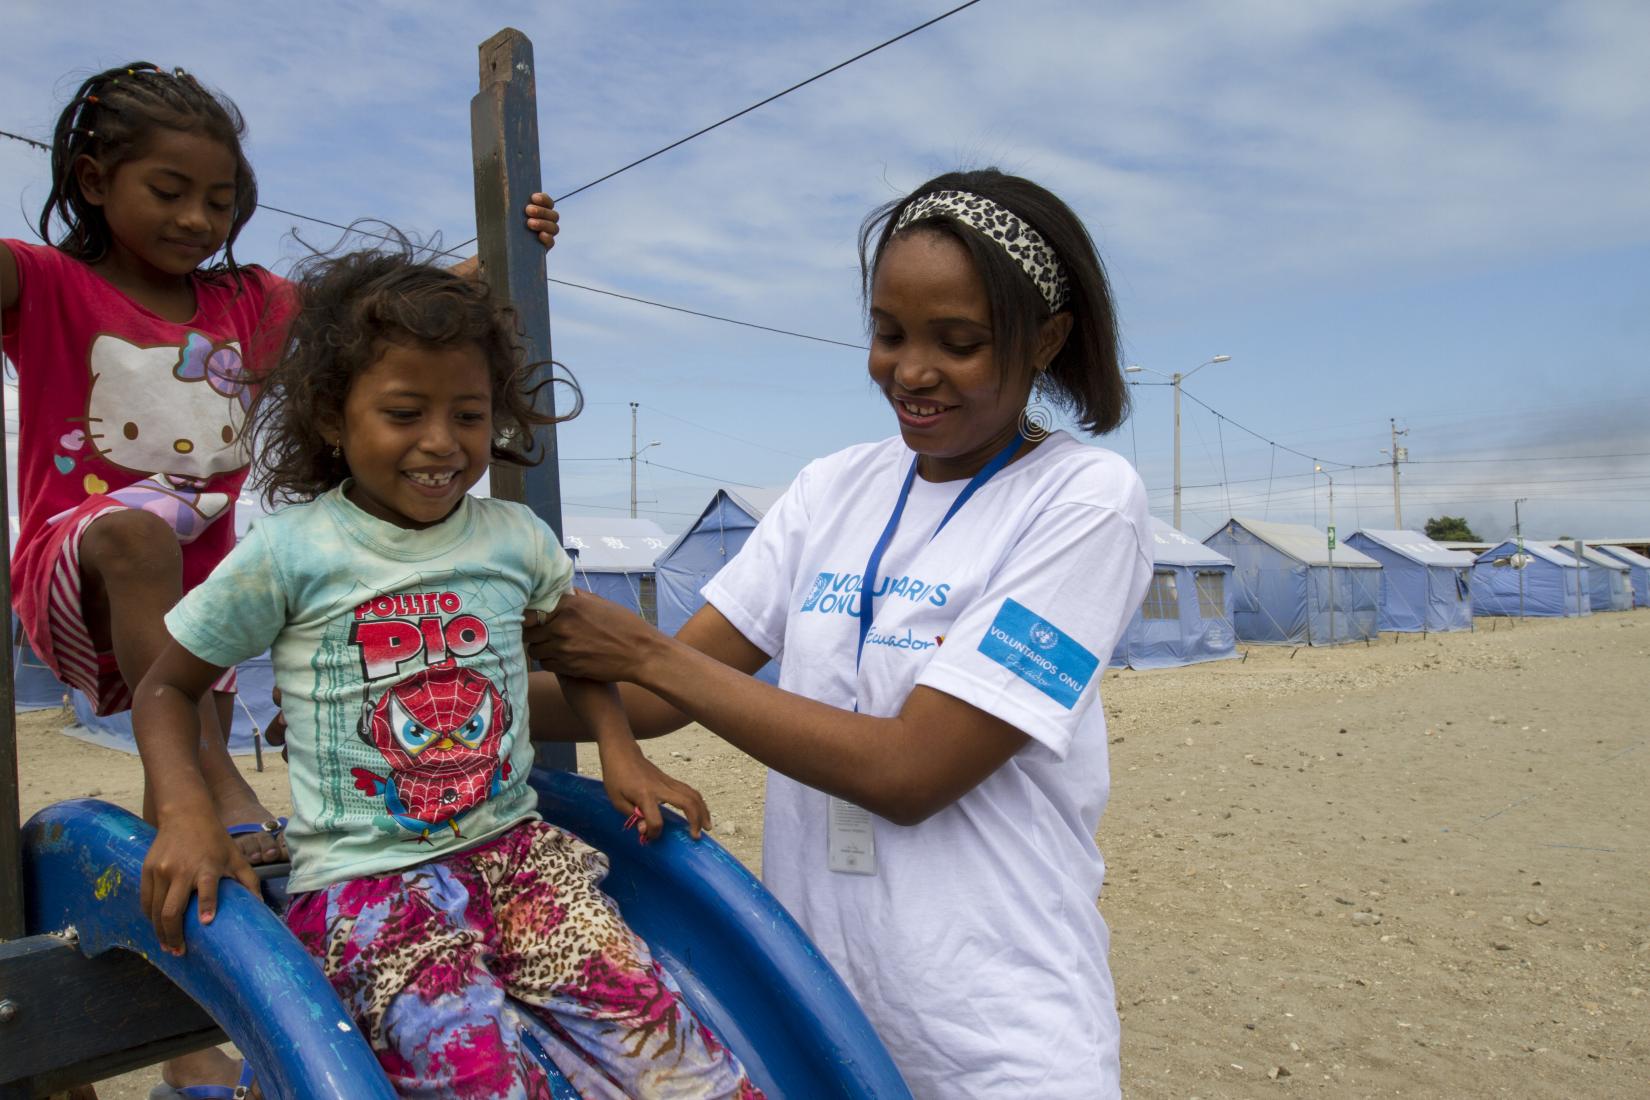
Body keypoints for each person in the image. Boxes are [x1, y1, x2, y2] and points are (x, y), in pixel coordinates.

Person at [522, 168, 1153, 1098]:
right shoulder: (833, 489)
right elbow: (656, 699)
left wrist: (644, 650)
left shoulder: (1085, 503)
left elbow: (911, 773)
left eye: (960, 342)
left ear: (1046, 341)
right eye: (888, 333)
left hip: (993, 1039)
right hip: (819, 1018)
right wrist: (413, 706)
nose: (911, 371)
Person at [0, 62, 556, 1096]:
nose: (197, 218)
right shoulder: (48, 284)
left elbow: (392, 317)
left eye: (220, 200)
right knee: (136, 536)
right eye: (168, 191)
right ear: (88, 178)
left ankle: (199, 1060)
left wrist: (510, 243)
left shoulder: (244, 304)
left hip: (189, 597)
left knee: (212, 593)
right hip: (77, 568)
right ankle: (194, 784)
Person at [131, 243, 764, 1100]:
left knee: (670, 1048)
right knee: (478, 1078)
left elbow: (572, 648)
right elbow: (167, 686)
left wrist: (623, 752)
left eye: (468, 416)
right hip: (368, 888)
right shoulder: (293, 551)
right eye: (404, 413)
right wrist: (184, 812)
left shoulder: (513, 539)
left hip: (518, 857)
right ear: (331, 418)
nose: (441, 442)